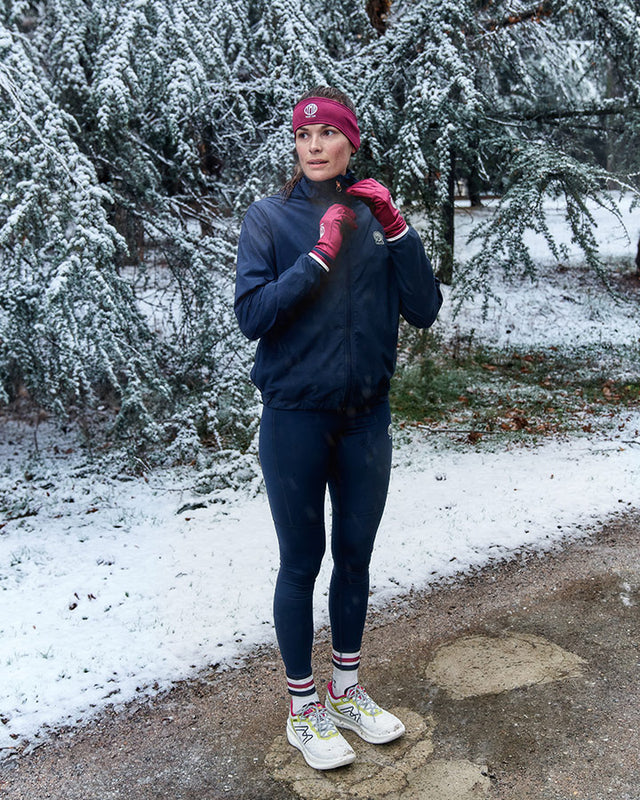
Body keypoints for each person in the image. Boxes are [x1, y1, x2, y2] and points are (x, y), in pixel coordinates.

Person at [235, 86, 442, 770]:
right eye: (303, 136)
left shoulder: (375, 215)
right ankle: (303, 709)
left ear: (352, 144)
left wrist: (397, 226)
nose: (314, 146)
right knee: (303, 561)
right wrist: (317, 257)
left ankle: (346, 690)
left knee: (355, 558)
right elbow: (254, 315)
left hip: (365, 421)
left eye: (327, 135)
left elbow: (424, 308)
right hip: (295, 418)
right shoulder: (268, 218)